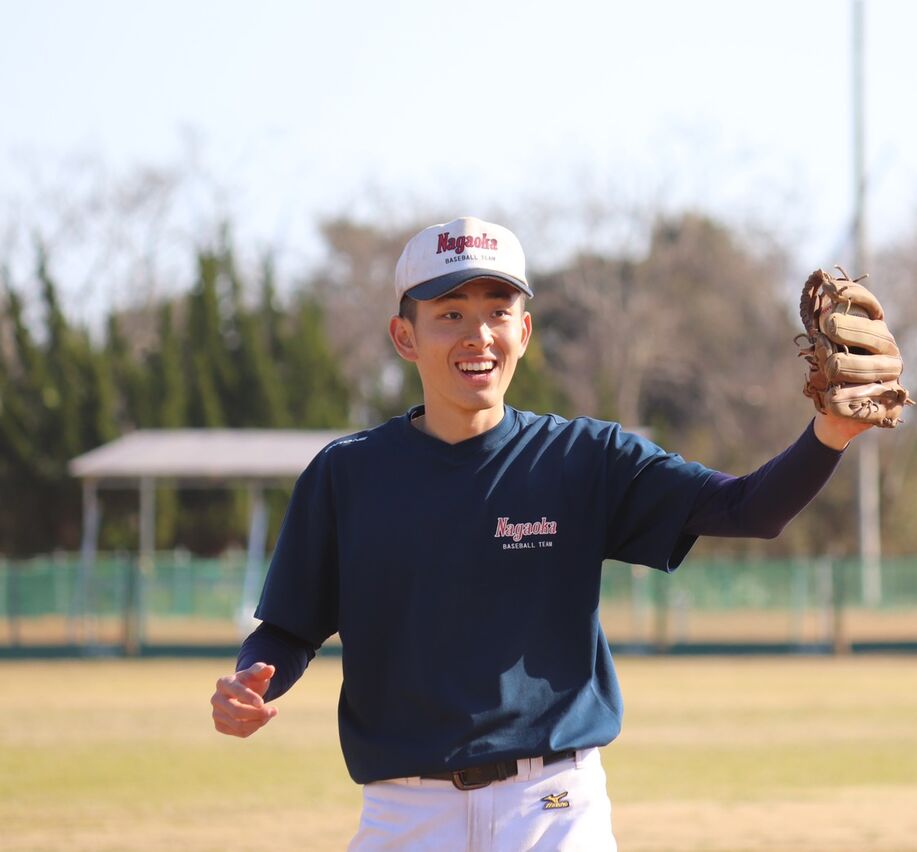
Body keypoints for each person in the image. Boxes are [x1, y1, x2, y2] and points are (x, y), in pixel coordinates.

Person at [210, 216, 871, 851]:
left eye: (497, 313)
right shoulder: (346, 475)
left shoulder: (585, 460)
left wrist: (829, 436)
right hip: (405, 813)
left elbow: (749, 509)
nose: (478, 336)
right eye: (449, 314)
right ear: (404, 337)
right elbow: (288, 629)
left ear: (524, 332)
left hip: (552, 810)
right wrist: (251, 682)